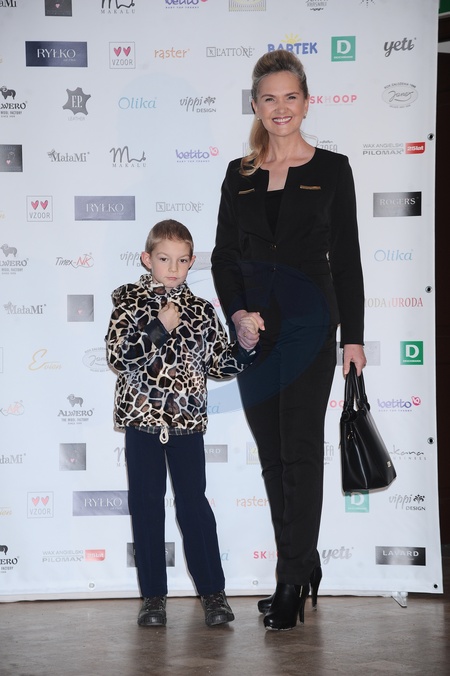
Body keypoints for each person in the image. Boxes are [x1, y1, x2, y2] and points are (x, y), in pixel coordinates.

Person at [211, 49, 366, 631]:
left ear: (306, 102)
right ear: (255, 105)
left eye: (290, 97)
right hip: (254, 336)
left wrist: (354, 338)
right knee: (274, 459)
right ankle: (303, 562)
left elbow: (346, 261)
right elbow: (224, 257)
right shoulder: (240, 175)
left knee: (299, 452)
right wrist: (237, 313)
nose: (281, 108)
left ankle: (290, 581)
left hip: (309, 329)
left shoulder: (334, 169)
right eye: (269, 98)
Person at [106, 219, 258, 628]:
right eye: (164, 259)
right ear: (147, 259)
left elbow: (219, 365)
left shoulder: (202, 310)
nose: (172, 268)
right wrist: (159, 328)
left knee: (194, 508)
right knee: (146, 507)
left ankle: (213, 593)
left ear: (191, 262)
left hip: (186, 424)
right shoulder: (128, 302)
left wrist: (244, 347)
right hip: (142, 422)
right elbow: (118, 357)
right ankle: (153, 597)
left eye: (182, 260)